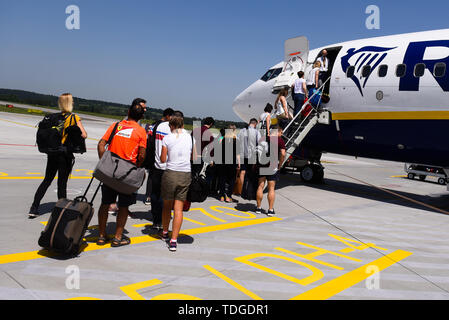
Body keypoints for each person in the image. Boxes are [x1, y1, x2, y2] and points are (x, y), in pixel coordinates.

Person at [96, 98, 147, 247]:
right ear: (141, 117)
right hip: (126, 174)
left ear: (128, 112)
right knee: (124, 207)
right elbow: (142, 155)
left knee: (105, 204)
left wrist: (103, 162)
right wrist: (136, 166)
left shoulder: (115, 126)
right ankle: (118, 237)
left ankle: (101, 235)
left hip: (110, 172)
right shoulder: (140, 131)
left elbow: (101, 144)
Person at [29, 93, 87, 218]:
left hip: (52, 153)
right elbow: (84, 134)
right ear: (69, 103)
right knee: (62, 183)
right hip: (64, 154)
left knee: (47, 180)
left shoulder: (53, 117)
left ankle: (34, 207)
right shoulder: (74, 117)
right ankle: (61, 211)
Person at [159, 113, 195, 252]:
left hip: (170, 173)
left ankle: (165, 233)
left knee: (167, 206)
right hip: (185, 174)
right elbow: (193, 156)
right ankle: (174, 241)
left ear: (172, 125)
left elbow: (163, 159)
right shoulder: (191, 138)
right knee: (179, 209)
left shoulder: (167, 138)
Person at [149, 108, 175, 230]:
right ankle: (163, 218)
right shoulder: (173, 130)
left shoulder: (156, 126)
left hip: (156, 165)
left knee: (155, 193)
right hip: (168, 167)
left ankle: (156, 219)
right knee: (166, 196)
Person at [144, 108, 174, 207]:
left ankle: (148, 196)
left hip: (151, 154)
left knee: (151, 177)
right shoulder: (164, 126)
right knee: (158, 183)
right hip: (159, 156)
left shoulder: (154, 124)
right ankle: (154, 200)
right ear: (168, 116)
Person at [256, 125, 286, 217]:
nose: (281, 134)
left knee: (260, 186)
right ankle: (270, 209)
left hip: (262, 164)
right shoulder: (279, 140)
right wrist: (280, 164)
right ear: (278, 131)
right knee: (271, 188)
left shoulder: (263, 138)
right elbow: (283, 153)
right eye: (281, 132)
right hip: (272, 165)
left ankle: (258, 207)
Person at [217, 124, 240, 203]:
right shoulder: (236, 140)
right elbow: (238, 153)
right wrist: (239, 163)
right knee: (231, 179)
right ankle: (229, 196)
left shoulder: (222, 138)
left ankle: (221, 196)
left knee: (222, 178)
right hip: (232, 161)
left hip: (222, 160)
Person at [238, 118, 261, 189]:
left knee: (242, 172)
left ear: (249, 123)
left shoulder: (242, 131)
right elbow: (260, 144)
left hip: (242, 154)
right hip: (251, 155)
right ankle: (247, 189)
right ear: (255, 124)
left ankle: (240, 190)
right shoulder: (257, 132)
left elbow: (237, 140)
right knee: (250, 173)